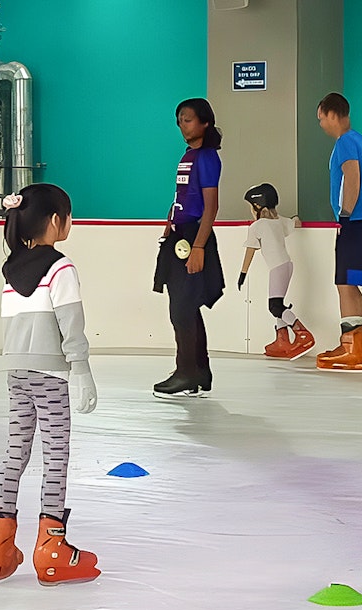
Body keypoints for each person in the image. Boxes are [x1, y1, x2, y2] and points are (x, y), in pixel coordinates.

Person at [0, 183, 100, 586]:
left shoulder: (10, 270)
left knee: (15, 452)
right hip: (50, 376)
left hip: (16, 373)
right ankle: (52, 546)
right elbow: (70, 323)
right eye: (68, 216)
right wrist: (80, 369)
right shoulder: (61, 268)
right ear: (55, 221)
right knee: (55, 457)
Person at [151, 98, 226, 397]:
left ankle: (186, 372)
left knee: (182, 309)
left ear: (205, 122)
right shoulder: (188, 156)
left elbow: (211, 207)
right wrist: (171, 221)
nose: (183, 125)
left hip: (195, 236)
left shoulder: (207, 158)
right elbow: (183, 194)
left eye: (189, 119)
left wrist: (199, 247)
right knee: (185, 307)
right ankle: (198, 371)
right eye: (180, 119)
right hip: (180, 233)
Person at [314, 92, 362, 372]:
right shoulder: (361, 141)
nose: (321, 125)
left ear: (332, 114)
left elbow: (352, 176)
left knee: (344, 283)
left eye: (320, 119)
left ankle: (350, 347)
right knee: (352, 282)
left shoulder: (344, 143)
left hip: (354, 222)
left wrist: (346, 216)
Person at [239, 183, 315, 360]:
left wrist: (243, 274)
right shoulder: (279, 220)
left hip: (277, 268)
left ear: (258, 206)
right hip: (287, 266)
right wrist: (295, 217)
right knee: (279, 303)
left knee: (275, 306)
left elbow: (250, 250)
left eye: (251, 207)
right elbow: (296, 222)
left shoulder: (257, 226)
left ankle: (302, 333)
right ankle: (282, 340)